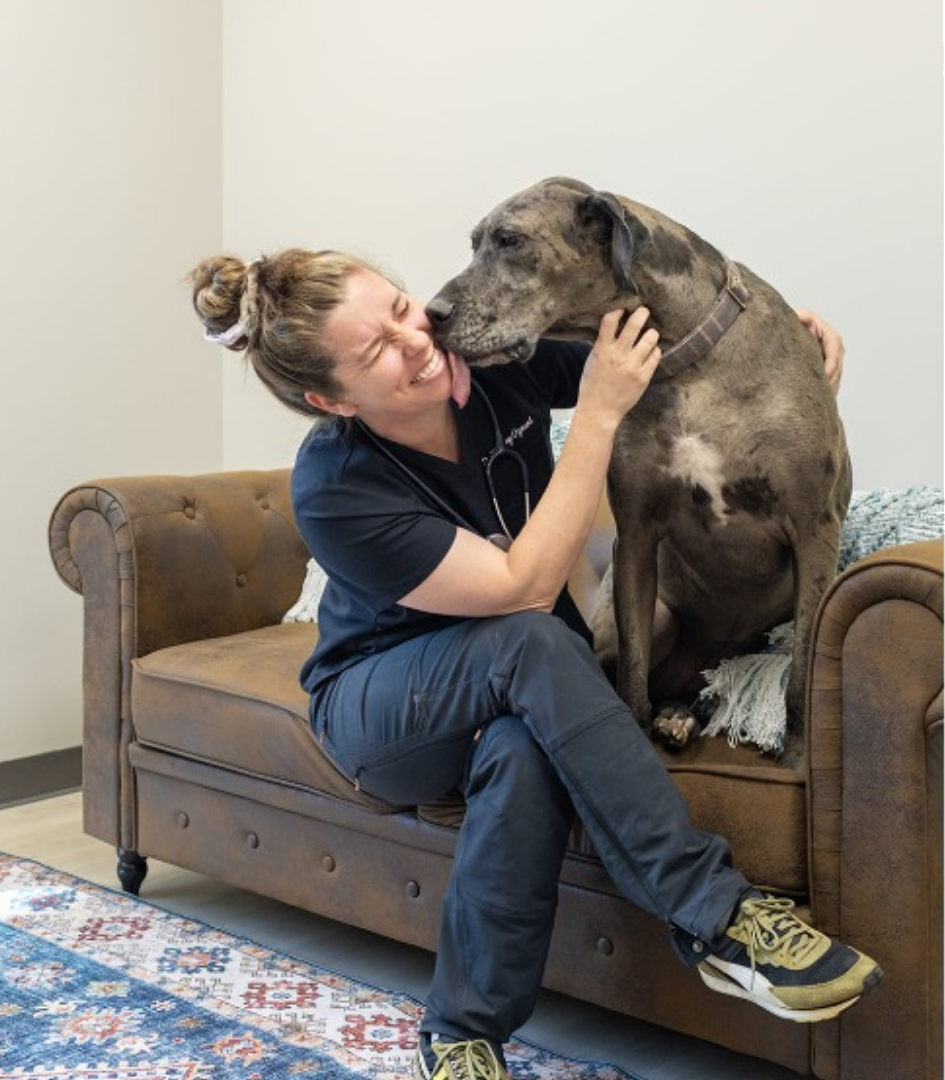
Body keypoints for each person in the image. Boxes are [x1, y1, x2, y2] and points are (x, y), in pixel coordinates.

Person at [190, 248, 880, 1080]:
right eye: (376, 351)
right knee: (530, 635)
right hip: (385, 709)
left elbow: (658, 345)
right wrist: (592, 420)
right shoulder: (335, 485)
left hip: (527, 685)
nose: (418, 339)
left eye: (404, 308)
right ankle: (718, 913)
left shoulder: (488, 368)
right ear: (330, 399)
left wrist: (786, 344)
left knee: (526, 751)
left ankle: (459, 1035)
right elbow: (522, 588)